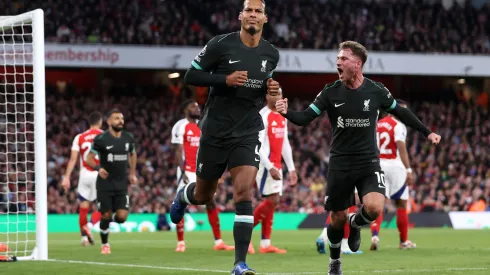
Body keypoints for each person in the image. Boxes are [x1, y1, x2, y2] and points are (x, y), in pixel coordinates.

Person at [275, 41, 441, 275]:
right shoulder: (330, 91)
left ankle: (356, 224)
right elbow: (304, 118)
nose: (338, 62)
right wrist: (286, 113)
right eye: (338, 59)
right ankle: (335, 262)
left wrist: (427, 131)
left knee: (374, 208)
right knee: (337, 218)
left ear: (357, 64)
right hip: (340, 163)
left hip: (368, 162)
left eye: (343, 59)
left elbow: (401, 112)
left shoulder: (376, 90)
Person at [169, 0, 280, 273]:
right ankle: (183, 197)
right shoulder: (221, 44)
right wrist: (224, 80)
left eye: (258, 11)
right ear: (241, 16)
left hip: (247, 131)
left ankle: (240, 263)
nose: (253, 15)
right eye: (249, 10)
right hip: (216, 130)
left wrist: (272, 92)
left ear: (265, 19)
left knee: (244, 193)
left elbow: (263, 91)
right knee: (204, 194)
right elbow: (190, 75)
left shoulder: (271, 54)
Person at [171, 99, 234, 252]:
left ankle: (218, 241)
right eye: (193, 106)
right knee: (184, 203)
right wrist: (183, 170)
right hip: (187, 170)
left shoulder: (204, 125)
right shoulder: (180, 126)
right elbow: (178, 150)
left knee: (210, 202)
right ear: (185, 110)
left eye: (198, 106)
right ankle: (180, 242)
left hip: (203, 170)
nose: (197, 108)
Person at [250, 88, 297, 254]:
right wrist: (269, 166)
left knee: (272, 201)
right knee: (273, 200)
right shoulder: (263, 116)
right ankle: (245, 234)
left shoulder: (282, 116)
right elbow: (258, 145)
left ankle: (265, 244)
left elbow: (285, 143)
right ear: (267, 96)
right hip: (265, 164)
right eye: (274, 94)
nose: (278, 97)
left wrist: (291, 168)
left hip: (276, 165)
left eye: (280, 94)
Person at [86, 109, 138, 255]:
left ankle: (108, 219)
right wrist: (98, 168)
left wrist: (132, 173)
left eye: (122, 118)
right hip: (105, 183)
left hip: (121, 184)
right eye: (116, 118)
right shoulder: (101, 139)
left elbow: (133, 154)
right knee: (105, 215)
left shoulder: (128, 138)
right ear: (108, 121)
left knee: (121, 217)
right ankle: (105, 244)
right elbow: (88, 158)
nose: (120, 121)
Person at [371, 100, 416, 250]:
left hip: (378, 165)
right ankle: (403, 242)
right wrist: (408, 170)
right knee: (401, 204)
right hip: (396, 167)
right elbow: (401, 148)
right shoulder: (399, 126)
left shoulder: (377, 124)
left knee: (379, 204)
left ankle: (375, 236)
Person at [61, 111, 103, 246]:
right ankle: (89, 226)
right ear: (100, 122)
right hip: (99, 173)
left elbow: (73, 159)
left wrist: (66, 177)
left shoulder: (79, 137)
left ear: (89, 123)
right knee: (105, 207)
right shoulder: (104, 135)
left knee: (83, 207)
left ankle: (84, 238)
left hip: (84, 174)